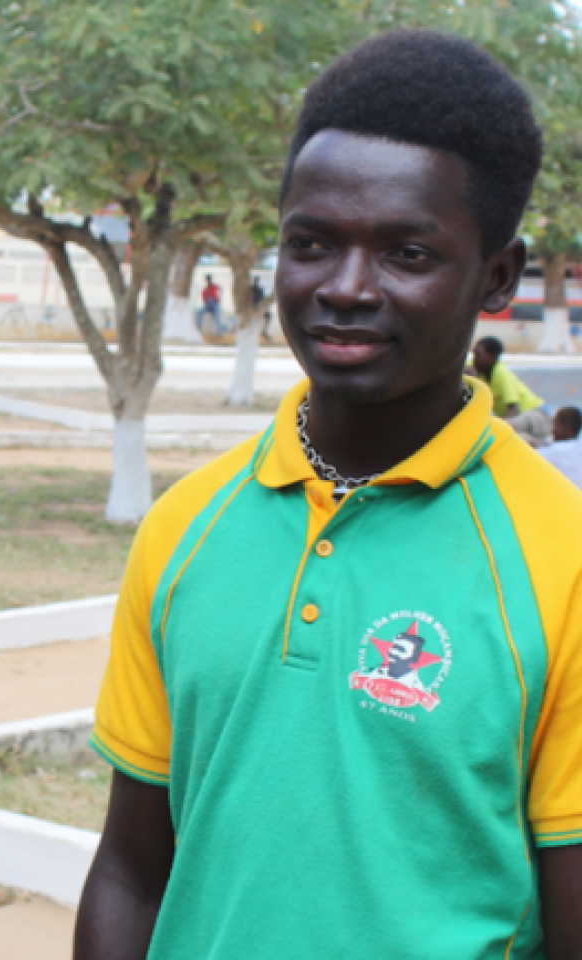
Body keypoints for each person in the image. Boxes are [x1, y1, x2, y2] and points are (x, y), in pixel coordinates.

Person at [75, 31, 582, 960]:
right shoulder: (187, 525)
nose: (345, 289)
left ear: (498, 278)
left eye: (407, 254)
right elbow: (131, 870)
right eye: (312, 245)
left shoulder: (565, 557)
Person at [472, 335, 552, 446]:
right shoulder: (478, 370)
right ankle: (535, 443)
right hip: (520, 420)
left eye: (478, 355)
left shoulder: (500, 373)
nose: (474, 358)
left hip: (535, 415)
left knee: (494, 429)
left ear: (492, 357)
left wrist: (499, 423)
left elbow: (515, 408)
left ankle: (542, 445)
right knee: (505, 434)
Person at [540, 405, 582, 489]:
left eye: (555, 424)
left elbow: (528, 458)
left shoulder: (557, 450)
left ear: (568, 429)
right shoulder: (577, 449)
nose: (552, 430)